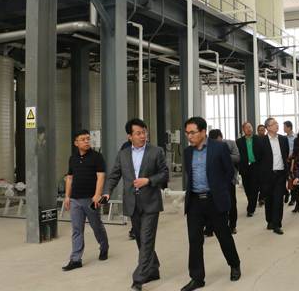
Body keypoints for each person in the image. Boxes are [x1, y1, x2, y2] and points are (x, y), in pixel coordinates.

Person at [102, 119, 169, 291]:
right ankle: (153, 269)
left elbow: (164, 174)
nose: (142, 136)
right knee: (140, 239)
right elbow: (114, 175)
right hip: (132, 202)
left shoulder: (156, 151)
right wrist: (107, 192)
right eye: (138, 133)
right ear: (129, 136)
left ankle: (138, 278)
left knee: (146, 240)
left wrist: (149, 180)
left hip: (151, 202)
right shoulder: (123, 154)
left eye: (144, 132)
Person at [181, 117, 241, 291]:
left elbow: (229, 171)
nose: (189, 136)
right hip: (194, 201)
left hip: (214, 200)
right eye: (187, 133)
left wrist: (219, 189)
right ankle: (197, 278)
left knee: (223, 236)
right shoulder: (187, 152)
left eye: (192, 132)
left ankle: (234, 264)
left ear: (203, 132)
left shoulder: (219, 147)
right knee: (194, 239)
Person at [62, 129, 109, 271]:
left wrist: (97, 194)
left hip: (91, 199)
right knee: (77, 229)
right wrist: (67, 196)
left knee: (96, 226)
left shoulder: (97, 157)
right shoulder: (73, 158)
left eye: (88, 139)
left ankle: (104, 247)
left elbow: (101, 176)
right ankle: (75, 259)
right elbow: (70, 178)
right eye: (83, 139)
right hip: (75, 199)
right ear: (76, 143)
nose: (87, 141)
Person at [258, 118, 290, 235]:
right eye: (273, 124)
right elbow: (259, 159)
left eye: (276, 123)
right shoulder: (261, 142)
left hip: (280, 173)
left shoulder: (283, 139)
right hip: (267, 174)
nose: (276, 125)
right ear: (268, 128)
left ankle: (277, 224)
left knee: (278, 199)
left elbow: (285, 154)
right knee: (269, 198)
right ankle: (270, 221)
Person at [208, 129, 240, 234]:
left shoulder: (230, 144)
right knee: (212, 204)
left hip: (228, 179)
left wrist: (224, 155)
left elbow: (237, 157)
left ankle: (232, 225)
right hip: (214, 179)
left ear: (221, 137)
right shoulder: (209, 146)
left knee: (231, 202)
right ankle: (210, 227)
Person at [236, 122, 262, 217]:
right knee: (247, 187)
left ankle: (251, 209)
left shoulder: (258, 139)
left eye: (250, 127)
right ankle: (251, 202)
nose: (249, 129)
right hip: (244, 167)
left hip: (256, 166)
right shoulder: (239, 142)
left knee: (254, 188)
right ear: (243, 130)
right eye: (246, 128)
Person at [283, 121, 296, 205]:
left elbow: (297, 148)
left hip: (294, 161)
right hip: (285, 160)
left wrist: (291, 155)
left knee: (292, 179)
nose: (283, 129)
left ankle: (293, 199)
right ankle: (286, 192)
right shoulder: (283, 138)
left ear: (289, 127)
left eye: (284, 127)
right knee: (283, 179)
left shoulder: (296, 137)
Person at [257, 124, 267, 206]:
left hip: (266, 164)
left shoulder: (267, 139)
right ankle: (261, 197)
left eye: (262, 130)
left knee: (265, 182)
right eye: (259, 130)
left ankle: (261, 198)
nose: (261, 132)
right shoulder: (255, 139)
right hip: (257, 164)